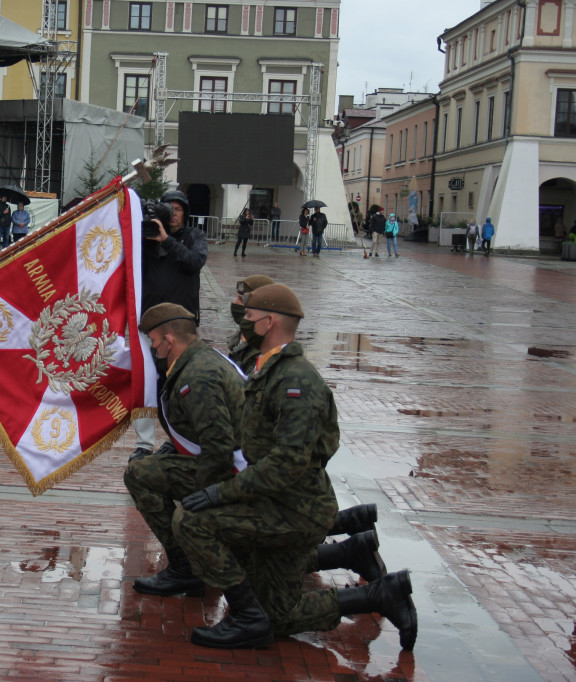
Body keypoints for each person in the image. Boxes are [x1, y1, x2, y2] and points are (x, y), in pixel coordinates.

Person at [173, 284, 417, 651]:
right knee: (280, 616)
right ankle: (381, 595)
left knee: (192, 523)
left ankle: (246, 617)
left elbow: (288, 461)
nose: (245, 323)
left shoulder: (296, 380)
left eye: (251, 318)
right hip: (277, 501)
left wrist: (219, 493)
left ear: (270, 322)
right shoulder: (270, 369)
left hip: (293, 510)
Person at [125, 303, 246, 596]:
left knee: (139, 475)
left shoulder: (198, 375)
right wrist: (168, 452)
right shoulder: (201, 358)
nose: (153, 349)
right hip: (235, 463)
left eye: (154, 341)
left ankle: (186, 567)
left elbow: (218, 445)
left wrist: (201, 501)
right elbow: (196, 431)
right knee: (152, 467)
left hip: (238, 473)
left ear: (169, 340)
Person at [130, 189, 208, 460]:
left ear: (185, 213)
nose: (173, 213)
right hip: (149, 325)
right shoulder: (145, 237)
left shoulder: (194, 237)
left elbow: (195, 262)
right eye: (168, 208)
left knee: (180, 385)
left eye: (178, 209)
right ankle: (143, 443)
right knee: (147, 382)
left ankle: (179, 440)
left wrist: (167, 240)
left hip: (182, 326)